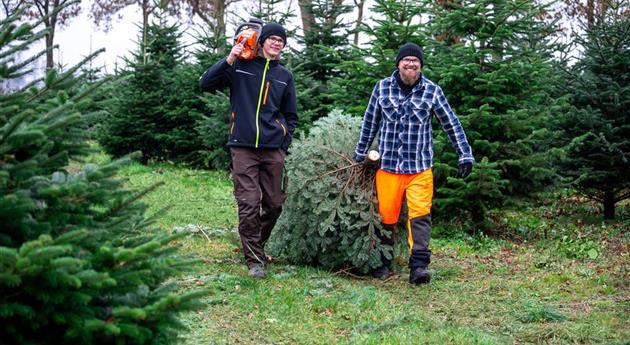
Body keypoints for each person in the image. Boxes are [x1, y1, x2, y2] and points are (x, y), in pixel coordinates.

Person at [354, 43, 474, 285]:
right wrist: (360, 154)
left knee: (420, 216)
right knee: (386, 217)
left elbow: (451, 123)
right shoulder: (382, 88)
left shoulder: (432, 91)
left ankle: (418, 267)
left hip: (420, 168)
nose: (410, 64)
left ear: (420, 65)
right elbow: (370, 123)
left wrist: (465, 153)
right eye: (406, 60)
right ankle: (384, 263)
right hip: (388, 168)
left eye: (415, 61)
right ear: (398, 64)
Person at [199, 23, 298, 278]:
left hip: (273, 149)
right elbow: (206, 84)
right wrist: (230, 57)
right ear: (262, 42)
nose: (276, 43)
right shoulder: (240, 68)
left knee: (275, 204)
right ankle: (254, 260)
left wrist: (283, 143)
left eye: (281, 40)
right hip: (242, 147)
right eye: (272, 39)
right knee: (249, 204)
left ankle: (256, 244)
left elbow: (291, 115)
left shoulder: (284, 76)